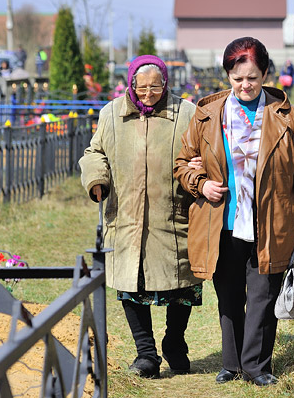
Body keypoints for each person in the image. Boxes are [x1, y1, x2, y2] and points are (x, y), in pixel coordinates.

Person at [173, 37, 294, 386]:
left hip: (273, 221)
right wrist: (200, 183)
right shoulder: (207, 114)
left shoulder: (287, 116)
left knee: (263, 295)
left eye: (253, 77)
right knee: (229, 294)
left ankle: (257, 366)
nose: (245, 85)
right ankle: (231, 363)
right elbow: (181, 164)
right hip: (221, 220)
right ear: (227, 76)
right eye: (237, 78)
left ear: (266, 73)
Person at [80, 55, 203, 378]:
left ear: (166, 83)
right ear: (131, 84)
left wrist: (199, 168)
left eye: (156, 86)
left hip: (174, 213)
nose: (149, 93)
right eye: (142, 87)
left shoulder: (186, 113)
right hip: (126, 214)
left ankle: (175, 343)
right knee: (130, 284)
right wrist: (97, 179)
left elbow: (204, 152)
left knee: (182, 285)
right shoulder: (111, 114)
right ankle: (145, 353)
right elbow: (95, 152)